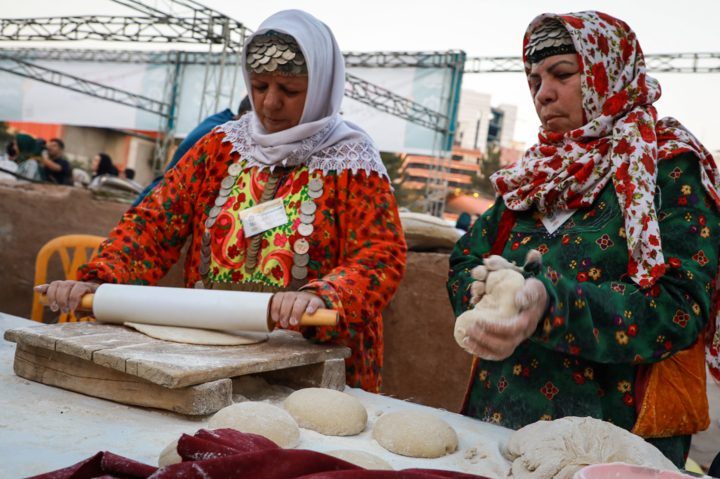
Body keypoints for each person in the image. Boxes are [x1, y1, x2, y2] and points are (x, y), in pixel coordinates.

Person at [36, 9, 407, 393]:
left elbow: (381, 255)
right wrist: (100, 281)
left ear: (322, 87)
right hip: (209, 353)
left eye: (290, 91)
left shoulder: (351, 162)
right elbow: (154, 224)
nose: (270, 104)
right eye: (259, 87)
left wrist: (324, 296)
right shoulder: (221, 148)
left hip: (312, 363)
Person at [447, 11, 720, 468]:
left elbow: (680, 307)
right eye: (534, 79)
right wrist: (483, 302)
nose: (543, 93)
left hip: (610, 442)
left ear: (606, 74)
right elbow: (466, 259)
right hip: (498, 427)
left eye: (562, 74)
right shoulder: (534, 176)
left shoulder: (667, 169)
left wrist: (552, 307)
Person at [132, 96, 253, 207]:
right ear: (245, 114)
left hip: (170, 185)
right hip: (171, 190)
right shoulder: (222, 134)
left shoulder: (222, 118)